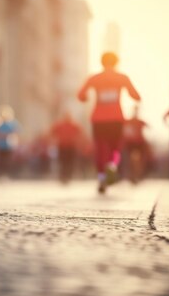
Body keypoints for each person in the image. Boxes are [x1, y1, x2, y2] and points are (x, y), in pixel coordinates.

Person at [78, 52, 141, 193]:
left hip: (98, 119)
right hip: (116, 119)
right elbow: (135, 95)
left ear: (101, 62)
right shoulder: (122, 78)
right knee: (116, 148)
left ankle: (101, 177)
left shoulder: (94, 78)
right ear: (116, 63)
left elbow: (80, 95)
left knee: (100, 148)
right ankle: (113, 165)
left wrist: (85, 98)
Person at [50, 112, 84, 184]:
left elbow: (80, 134)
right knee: (63, 162)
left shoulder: (73, 125)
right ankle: (64, 176)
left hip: (70, 146)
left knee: (69, 162)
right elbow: (52, 132)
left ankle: (67, 176)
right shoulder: (60, 125)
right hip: (62, 146)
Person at [123, 106, 149, 184]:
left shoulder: (140, 121)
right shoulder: (128, 121)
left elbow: (147, 126)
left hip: (139, 143)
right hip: (131, 143)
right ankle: (133, 175)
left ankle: (136, 175)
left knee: (136, 160)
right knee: (133, 160)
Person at [0, 105, 19, 180]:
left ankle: (6, 174)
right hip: (0, 145)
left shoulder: (12, 123)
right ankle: (0, 174)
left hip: (9, 145)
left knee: (7, 161)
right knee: (0, 161)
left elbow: (16, 132)